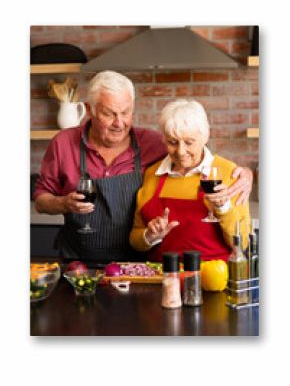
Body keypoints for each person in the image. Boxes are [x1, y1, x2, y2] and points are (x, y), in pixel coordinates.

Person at [34, 71, 253, 264]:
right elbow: (42, 199)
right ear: (90, 110)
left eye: (126, 112)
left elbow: (193, 151)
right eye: (109, 114)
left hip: (134, 265)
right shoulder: (63, 143)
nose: (119, 123)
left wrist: (245, 174)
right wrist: (63, 203)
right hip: (78, 261)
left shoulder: (152, 143)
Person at [129, 99, 251, 262]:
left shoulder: (229, 173)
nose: (180, 151)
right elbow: (135, 239)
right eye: (172, 142)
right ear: (163, 139)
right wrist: (149, 236)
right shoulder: (153, 174)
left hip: (212, 280)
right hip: (162, 279)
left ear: (205, 136)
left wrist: (224, 208)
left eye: (189, 142)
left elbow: (242, 243)